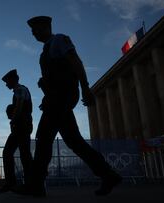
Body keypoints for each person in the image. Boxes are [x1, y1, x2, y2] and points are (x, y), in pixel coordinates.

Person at [26, 16, 122, 196]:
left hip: (61, 98)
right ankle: (108, 174)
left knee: (45, 139)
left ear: (47, 27)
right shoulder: (45, 52)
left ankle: (35, 185)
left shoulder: (59, 40)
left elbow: (75, 62)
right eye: (32, 32)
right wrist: (45, 86)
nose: (34, 34)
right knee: (74, 141)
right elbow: (57, 75)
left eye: (36, 30)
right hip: (56, 99)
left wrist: (86, 87)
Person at [0, 69, 33, 193]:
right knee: (24, 155)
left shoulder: (19, 90)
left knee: (9, 152)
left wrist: (13, 119)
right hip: (24, 125)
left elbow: (19, 105)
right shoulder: (21, 89)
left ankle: (13, 182)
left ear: (13, 80)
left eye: (7, 82)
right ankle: (29, 183)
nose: (6, 84)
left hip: (21, 125)